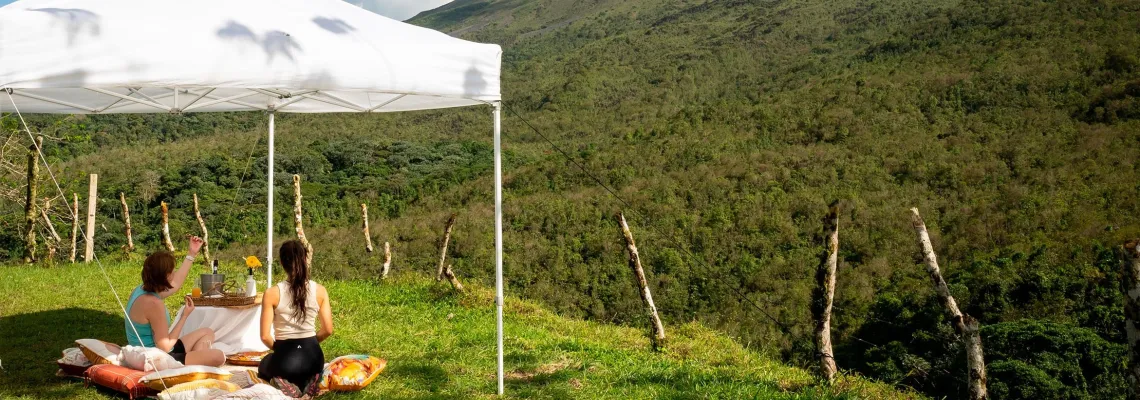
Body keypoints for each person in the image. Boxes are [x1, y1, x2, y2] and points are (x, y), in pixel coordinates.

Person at [125, 236, 225, 367]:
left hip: (155, 350)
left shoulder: (141, 290)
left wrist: (192, 253)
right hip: (157, 358)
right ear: (165, 276)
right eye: (172, 271)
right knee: (218, 356)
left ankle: (197, 363)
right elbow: (164, 348)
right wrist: (184, 316)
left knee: (207, 332)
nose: (174, 273)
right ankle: (196, 364)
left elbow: (176, 283)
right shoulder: (154, 304)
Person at [258, 240, 334, 395]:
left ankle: (282, 382)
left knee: (265, 364)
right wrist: (308, 343)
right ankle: (312, 380)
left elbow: (265, 336)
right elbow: (328, 330)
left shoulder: (272, 293)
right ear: (305, 259)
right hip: (314, 358)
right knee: (307, 370)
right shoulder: (320, 291)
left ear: (281, 262)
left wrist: (281, 349)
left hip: (285, 361)